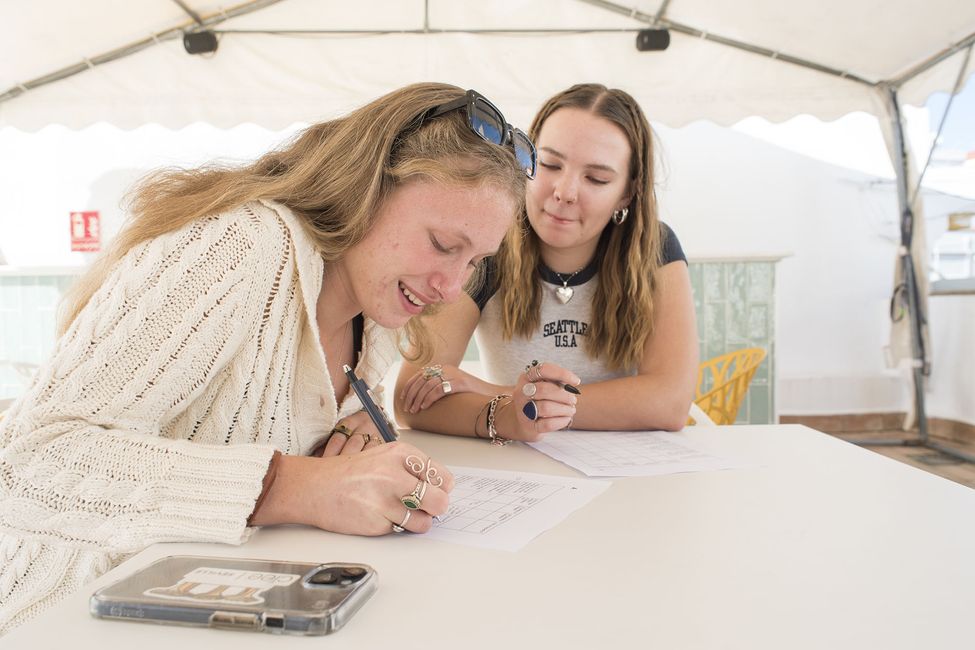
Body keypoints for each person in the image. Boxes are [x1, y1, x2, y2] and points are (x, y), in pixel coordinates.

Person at [0, 83, 534, 634]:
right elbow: (27, 461)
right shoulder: (240, 247)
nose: (451, 288)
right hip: (61, 613)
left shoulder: (375, 312)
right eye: (444, 244)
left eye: (475, 261)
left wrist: (351, 432)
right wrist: (295, 485)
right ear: (365, 190)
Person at [396, 84, 697, 442]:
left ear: (627, 193)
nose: (564, 192)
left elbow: (670, 403)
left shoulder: (657, 248)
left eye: (596, 178)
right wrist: (516, 411)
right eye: (550, 164)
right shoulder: (488, 246)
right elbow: (412, 398)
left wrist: (501, 395)